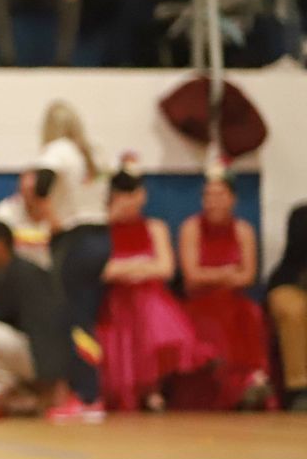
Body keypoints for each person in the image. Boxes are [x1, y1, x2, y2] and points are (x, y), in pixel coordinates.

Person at [96, 161, 212, 412]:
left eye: (134, 194)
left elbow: (165, 268)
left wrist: (128, 269)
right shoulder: (101, 230)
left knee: (147, 308)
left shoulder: (154, 227)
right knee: (127, 310)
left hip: (151, 296)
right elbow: (102, 271)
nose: (129, 201)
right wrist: (138, 266)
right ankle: (130, 389)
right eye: (122, 196)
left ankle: (152, 388)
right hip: (113, 300)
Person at [0, 221, 79, 418]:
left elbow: (49, 328)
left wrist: (53, 384)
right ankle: (13, 397)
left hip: (45, 359)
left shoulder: (27, 275)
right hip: (29, 355)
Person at [36, 100, 109, 418]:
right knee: (87, 318)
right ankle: (91, 393)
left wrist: (51, 218)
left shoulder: (57, 150)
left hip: (73, 239)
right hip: (102, 237)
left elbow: (40, 187)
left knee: (74, 320)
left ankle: (85, 395)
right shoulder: (93, 153)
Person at [179, 169, 272, 409]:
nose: (213, 201)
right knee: (211, 323)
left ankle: (250, 384)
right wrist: (226, 273)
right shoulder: (191, 227)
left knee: (250, 315)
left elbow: (248, 276)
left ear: (233, 198)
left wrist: (213, 275)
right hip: (199, 302)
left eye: (219, 194)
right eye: (208, 195)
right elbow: (192, 277)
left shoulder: (243, 230)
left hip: (235, 300)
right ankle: (230, 388)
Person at [266, 203, 307, 411]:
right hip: (293, 283)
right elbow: (298, 250)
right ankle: (300, 390)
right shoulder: (301, 214)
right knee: (294, 311)